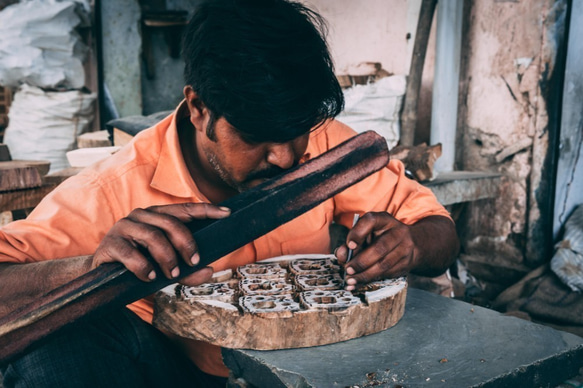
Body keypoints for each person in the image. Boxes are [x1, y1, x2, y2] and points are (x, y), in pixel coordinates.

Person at [0, 0, 459, 386]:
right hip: (180, 371)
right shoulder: (111, 189)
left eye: (296, 131)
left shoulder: (326, 148)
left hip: (309, 367)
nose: (284, 157)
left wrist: (412, 244)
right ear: (200, 109)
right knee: (51, 349)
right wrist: (89, 268)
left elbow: (439, 232)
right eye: (257, 134)